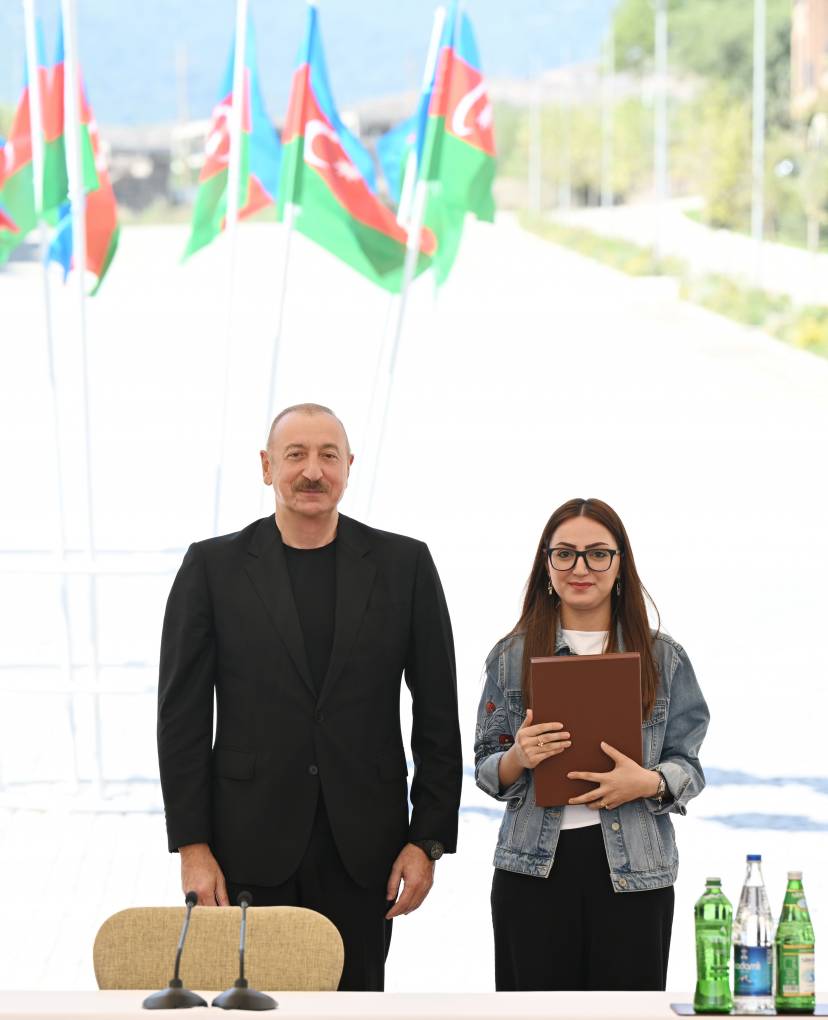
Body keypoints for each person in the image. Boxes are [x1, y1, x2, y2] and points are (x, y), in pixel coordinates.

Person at [157, 403, 462, 991]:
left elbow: (437, 715)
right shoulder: (212, 567)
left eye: (328, 455)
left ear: (349, 466)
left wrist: (427, 840)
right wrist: (192, 847)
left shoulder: (405, 565)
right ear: (267, 466)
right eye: (295, 455)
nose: (313, 471)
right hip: (245, 845)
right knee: (251, 1001)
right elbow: (181, 720)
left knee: (355, 1002)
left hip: (367, 851)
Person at [474, 497, 709, 991]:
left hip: (635, 874)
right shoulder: (510, 655)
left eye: (598, 554)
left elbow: (688, 765)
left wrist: (647, 782)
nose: (580, 568)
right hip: (531, 873)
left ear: (620, 564)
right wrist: (518, 757)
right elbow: (486, 767)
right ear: (546, 564)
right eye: (565, 554)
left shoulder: (663, 658)